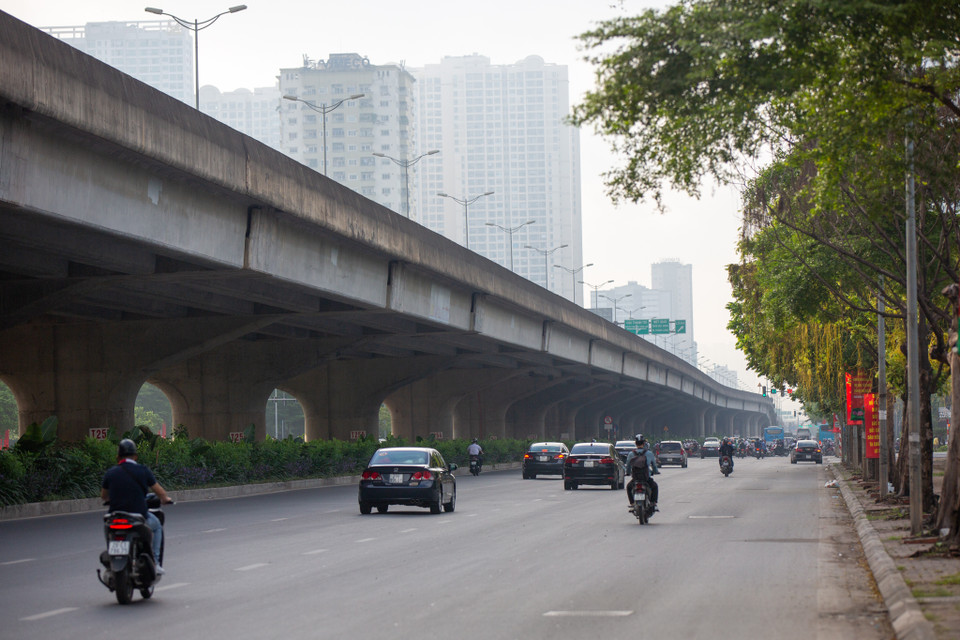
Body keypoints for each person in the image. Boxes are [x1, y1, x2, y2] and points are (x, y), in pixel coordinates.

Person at [101, 439, 173, 574]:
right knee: (157, 525)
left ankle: (112, 558)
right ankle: (156, 563)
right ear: (135, 456)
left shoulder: (111, 472)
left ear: (118, 457)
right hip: (138, 517)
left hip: (115, 517)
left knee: (108, 530)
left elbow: (104, 496)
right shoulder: (142, 471)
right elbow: (159, 491)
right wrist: (165, 499)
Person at [625, 434, 659, 509]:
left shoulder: (631, 454)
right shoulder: (649, 453)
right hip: (646, 478)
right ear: (644, 444)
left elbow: (628, 466)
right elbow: (654, 465)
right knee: (655, 487)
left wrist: (627, 473)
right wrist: (656, 471)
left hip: (635, 478)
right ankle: (653, 503)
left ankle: (632, 503)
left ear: (635, 443)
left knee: (628, 487)